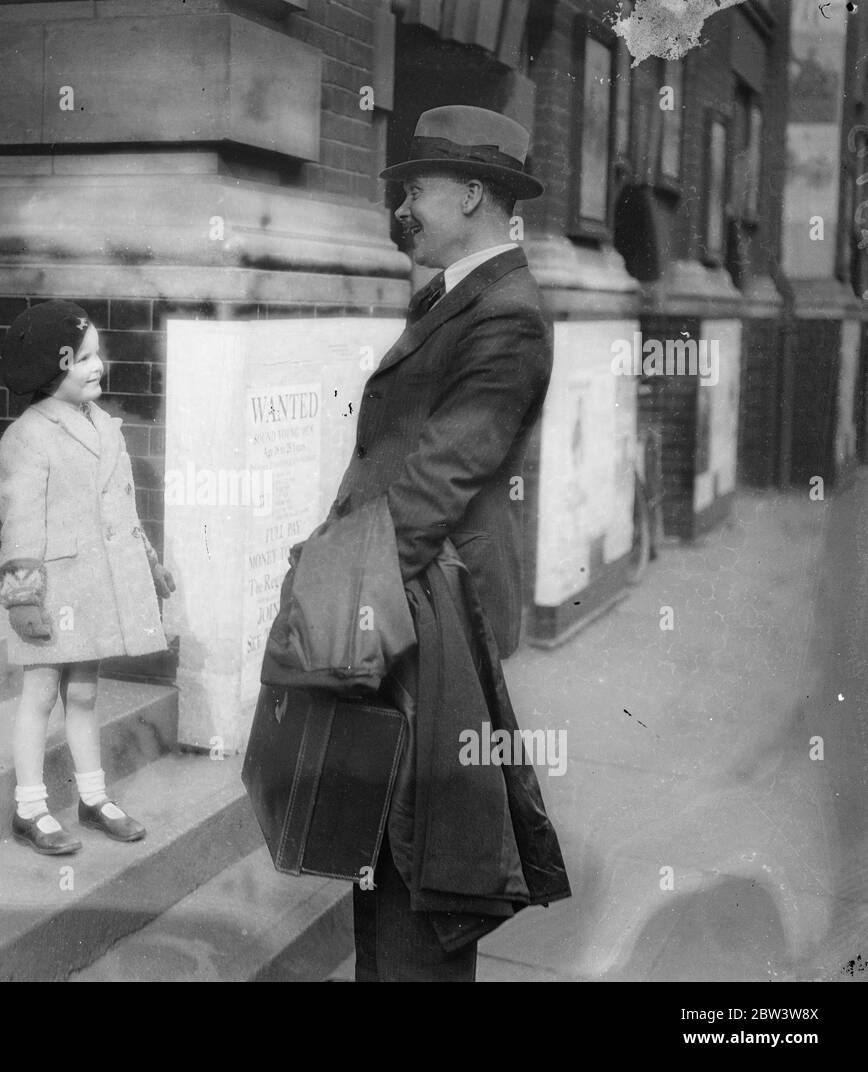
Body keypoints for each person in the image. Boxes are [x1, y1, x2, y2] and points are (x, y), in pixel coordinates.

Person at [330, 106, 558, 981]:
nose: (402, 209)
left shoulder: (504, 315)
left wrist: (347, 596)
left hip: (429, 615)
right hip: (407, 603)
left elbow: (438, 483)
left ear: (469, 193)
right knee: (389, 853)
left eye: (413, 190)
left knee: (427, 873)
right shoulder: (463, 296)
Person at [0, 301, 175, 855]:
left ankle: (93, 797)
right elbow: (20, 520)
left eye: (98, 354)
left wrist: (148, 561)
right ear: (52, 368)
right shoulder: (28, 436)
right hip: (55, 589)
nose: (98, 365)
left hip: (96, 586)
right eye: (84, 358)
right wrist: (23, 594)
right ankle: (30, 806)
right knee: (42, 691)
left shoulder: (106, 427)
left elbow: (123, 508)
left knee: (87, 692)